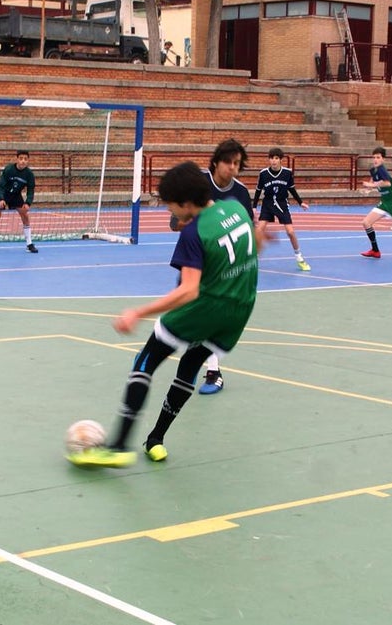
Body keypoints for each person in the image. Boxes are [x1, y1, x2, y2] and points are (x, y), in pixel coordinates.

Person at [68, 161, 266, 468]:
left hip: (206, 307)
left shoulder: (194, 233)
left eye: (170, 205)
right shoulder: (237, 209)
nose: (169, 211)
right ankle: (155, 440)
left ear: (186, 203)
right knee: (189, 365)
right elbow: (256, 244)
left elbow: (189, 291)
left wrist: (139, 312)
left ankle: (119, 447)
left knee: (144, 363)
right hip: (240, 309)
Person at [168, 138, 255, 396]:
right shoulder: (198, 185)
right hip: (195, 259)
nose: (232, 168)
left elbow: (246, 228)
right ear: (216, 162)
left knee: (209, 315)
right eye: (228, 162)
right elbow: (175, 222)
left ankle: (213, 371)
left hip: (222, 267)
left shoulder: (239, 193)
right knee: (190, 311)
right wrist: (200, 224)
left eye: (237, 163)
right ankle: (187, 357)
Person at [253, 147, 310, 271]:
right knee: (259, 230)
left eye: (276, 158)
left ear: (280, 160)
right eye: (271, 158)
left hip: (282, 203)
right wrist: (254, 207)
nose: (273, 161)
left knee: (290, 232)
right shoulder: (263, 174)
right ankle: (254, 258)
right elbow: (258, 191)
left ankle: (299, 258)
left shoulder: (287, 173)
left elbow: (292, 189)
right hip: (267, 204)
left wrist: (301, 203)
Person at [0, 149, 37, 253]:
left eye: (25, 159)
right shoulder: (9, 169)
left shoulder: (29, 174)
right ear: (17, 159)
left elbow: (30, 190)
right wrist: (1, 198)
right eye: (21, 159)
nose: (23, 161)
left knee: (25, 215)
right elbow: (1, 185)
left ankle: (29, 244)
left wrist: (28, 202)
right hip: (3, 193)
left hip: (16, 195)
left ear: (28, 160)